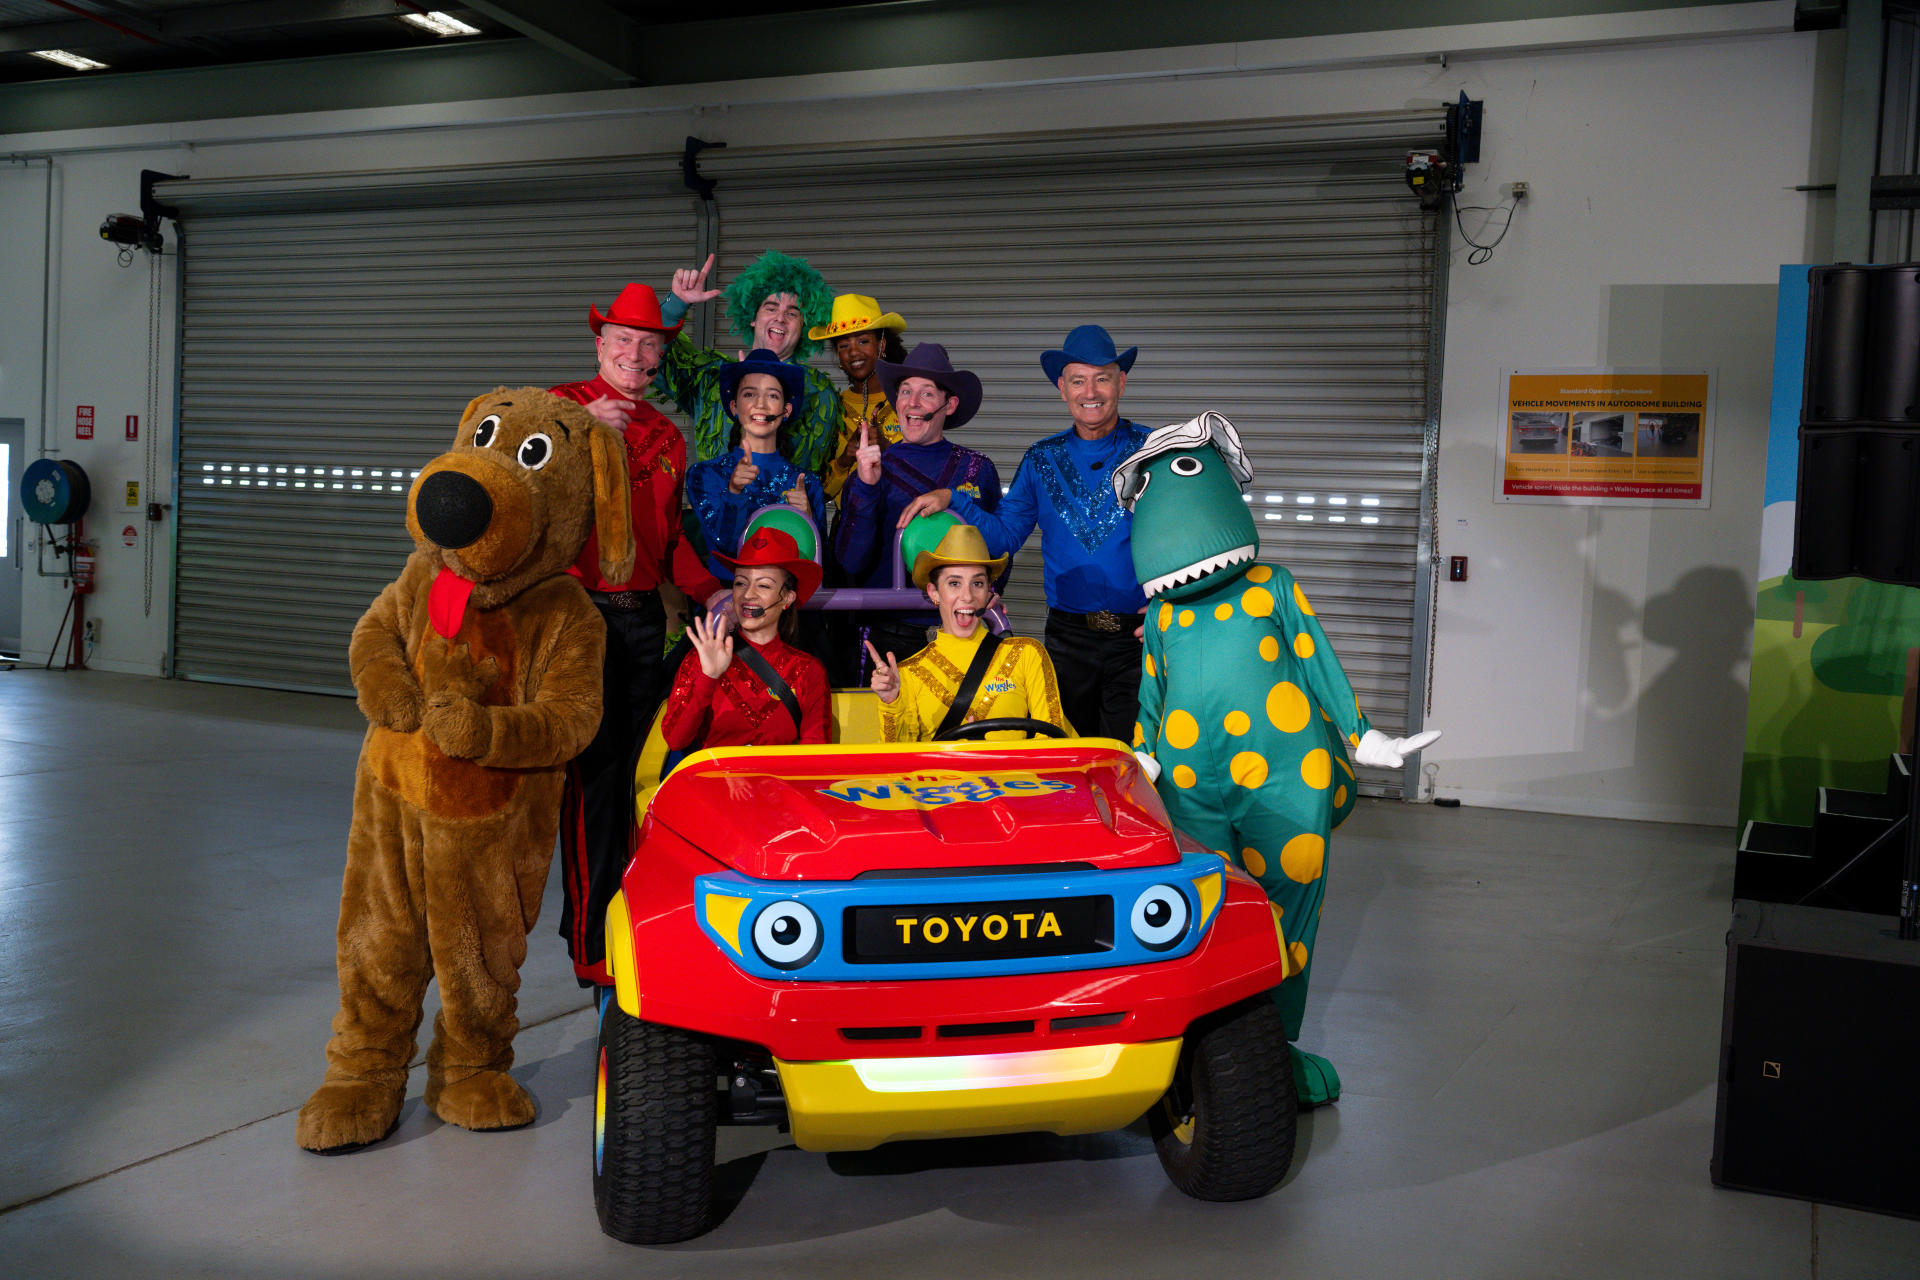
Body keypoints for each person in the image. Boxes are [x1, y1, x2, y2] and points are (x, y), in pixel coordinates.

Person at [548, 281, 724, 988]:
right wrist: (576, 430)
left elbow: (672, 536)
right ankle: (590, 944)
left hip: (642, 619)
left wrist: (713, 591)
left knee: (637, 778)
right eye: (622, 340)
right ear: (599, 345)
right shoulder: (558, 406)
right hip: (575, 615)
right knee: (591, 782)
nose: (635, 353)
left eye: (649, 345)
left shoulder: (665, 434)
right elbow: (507, 480)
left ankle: (617, 915)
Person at [899, 323, 1150, 743]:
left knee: (1134, 759)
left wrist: (1169, 603)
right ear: (1062, 388)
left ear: (1121, 383)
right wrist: (953, 499)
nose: (1090, 392)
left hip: (1138, 641)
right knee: (1071, 760)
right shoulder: (1041, 459)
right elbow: (1004, 537)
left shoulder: (1155, 449)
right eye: (1078, 381)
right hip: (1068, 640)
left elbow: (1187, 536)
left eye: (1102, 378)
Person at [835, 343, 1002, 676]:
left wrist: (992, 594)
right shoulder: (872, 468)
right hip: (888, 635)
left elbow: (999, 542)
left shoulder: (977, 469)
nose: (912, 403)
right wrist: (865, 487)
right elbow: (850, 560)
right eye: (905, 391)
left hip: (962, 631)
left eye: (926, 393)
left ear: (949, 404)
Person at [867, 524, 1069, 742]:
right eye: (954, 583)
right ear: (934, 592)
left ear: (988, 591)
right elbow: (899, 762)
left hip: (1014, 775)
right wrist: (890, 701)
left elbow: (1052, 742)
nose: (967, 596)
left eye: (978, 583)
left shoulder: (1027, 654)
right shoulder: (908, 674)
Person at [654, 251, 840, 473]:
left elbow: (815, 479)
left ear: (803, 327)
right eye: (770, 308)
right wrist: (676, 304)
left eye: (792, 314)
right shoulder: (711, 376)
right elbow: (649, 362)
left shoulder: (819, 393)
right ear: (753, 318)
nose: (780, 318)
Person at [660, 526, 830, 750]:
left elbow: (815, 754)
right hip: (714, 783)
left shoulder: (808, 671)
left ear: (787, 598)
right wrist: (707, 676)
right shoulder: (703, 657)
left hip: (778, 783)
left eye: (764, 585)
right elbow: (675, 740)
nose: (748, 594)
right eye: (740, 583)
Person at [683, 348, 826, 579]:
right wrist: (734, 492)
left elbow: (818, 567)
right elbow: (727, 545)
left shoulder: (807, 482)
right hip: (729, 604)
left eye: (772, 395)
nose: (760, 404)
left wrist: (806, 519)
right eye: (749, 394)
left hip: (790, 606)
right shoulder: (704, 474)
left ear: (786, 410)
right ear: (734, 407)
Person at [810, 293, 909, 503]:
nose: (853, 352)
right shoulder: (832, 408)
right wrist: (844, 460)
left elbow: (928, 475)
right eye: (843, 346)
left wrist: (887, 450)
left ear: (882, 346)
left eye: (863, 341)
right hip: (847, 531)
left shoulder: (908, 401)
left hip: (901, 529)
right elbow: (820, 493)